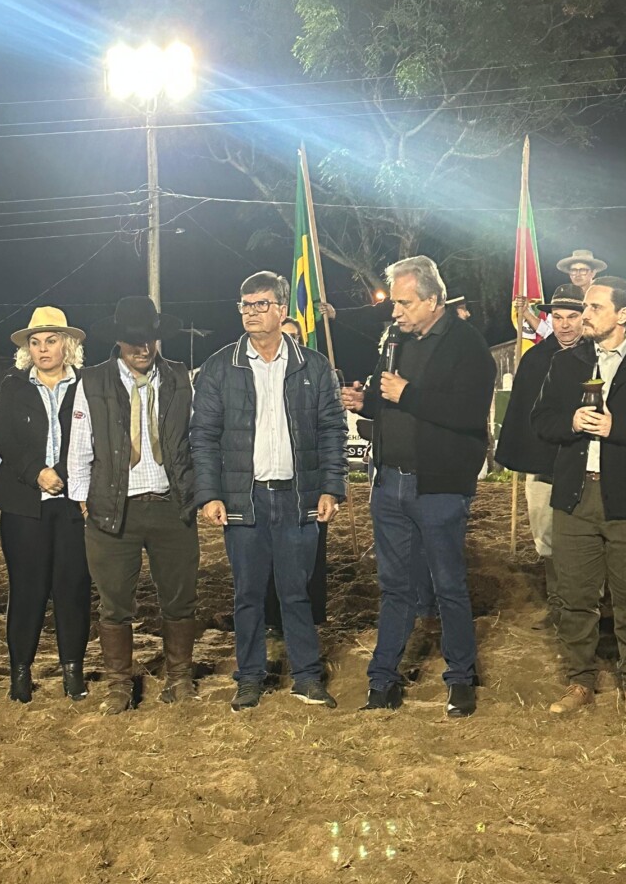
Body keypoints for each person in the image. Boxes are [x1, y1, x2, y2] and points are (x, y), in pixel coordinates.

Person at [342, 255, 495, 716]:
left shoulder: (468, 346)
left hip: (439, 486)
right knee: (394, 587)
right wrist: (365, 401)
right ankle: (382, 680)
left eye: (404, 303)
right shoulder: (395, 340)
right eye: (395, 303)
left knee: (448, 585)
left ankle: (461, 678)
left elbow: (468, 413)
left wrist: (407, 393)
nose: (396, 312)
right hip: (388, 482)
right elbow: (387, 398)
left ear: (432, 300)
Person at [191, 271, 346, 711]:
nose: (251, 312)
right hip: (245, 497)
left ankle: (307, 677)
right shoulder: (220, 366)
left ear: (281, 309)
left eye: (261, 304)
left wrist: (331, 487)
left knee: (297, 591)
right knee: (248, 594)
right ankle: (250, 677)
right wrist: (210, 493)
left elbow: (332, 430)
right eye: (245, 304)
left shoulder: (313, 366)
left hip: (299, 496)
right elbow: (203, 435)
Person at [532, 276, 626, 718]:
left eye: (594, 307)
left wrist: (618, 429)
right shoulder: (566, 362)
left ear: (623, 315)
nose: (585, 315)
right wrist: (571, 421)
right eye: (585, 306)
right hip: (575, 497)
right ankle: (580, 681)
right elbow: (540, 420)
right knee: (575, 597)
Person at [68, 296, 198, 713]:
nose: (143, 348)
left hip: (171, 505)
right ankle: (119, 684)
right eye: (133, 340)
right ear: (119, 341)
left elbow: (195, 438)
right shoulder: (93, 381)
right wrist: (84, 501)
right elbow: (79, 447)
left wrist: (194, 492)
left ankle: (180, 677)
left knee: (179, 597)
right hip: (113, 509)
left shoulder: (179, 378)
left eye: (149, 339)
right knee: (114, 603)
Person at [0, 306, 92, 706]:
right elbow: (3, 439)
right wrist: (37, 473)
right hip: (23, 504)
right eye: (35, 342)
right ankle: (20, 672)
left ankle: (72, 670)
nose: (43, 349)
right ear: (27, 349)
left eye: (51, 340)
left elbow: (94, 439)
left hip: (74, 505)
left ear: (67, 345)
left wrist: (62, 473)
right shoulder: (13, 386)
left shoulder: (87, 385)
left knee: (73, 589)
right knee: (26, 589)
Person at [495, 285, 586, 629]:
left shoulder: (599, 358)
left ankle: (585, 608)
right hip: (542, 466)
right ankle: (558, 605)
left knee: (584, 539)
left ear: (585, 318)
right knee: (546, 536)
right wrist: (523, 457)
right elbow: (521, 414)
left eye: (572, 317)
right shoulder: (535, 360)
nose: (565, 325)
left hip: (584, 465)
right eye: (558, 317)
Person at [265, 316, 329, 635]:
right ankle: (273, 620)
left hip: (308, 481)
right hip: (268, 483)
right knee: (269, 555)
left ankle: (310, 619)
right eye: (284, 336)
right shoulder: (257, 377)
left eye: (296, 338)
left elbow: (330, 429)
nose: (290, 343)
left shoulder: (317, 375)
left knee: (310, 554)